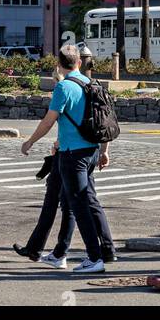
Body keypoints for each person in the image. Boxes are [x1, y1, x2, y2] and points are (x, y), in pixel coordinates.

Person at [13, 47, 115, 269]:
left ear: (59, 63)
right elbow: (104, 123)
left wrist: (30, 141)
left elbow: (49, 121)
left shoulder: (63, 87)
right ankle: (63, 253)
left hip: (72, 153)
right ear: (79, 62)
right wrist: (104, 150)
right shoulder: (92, 85)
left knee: (79, 206)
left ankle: (95, 258)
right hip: (91, 151)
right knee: (78, 201)